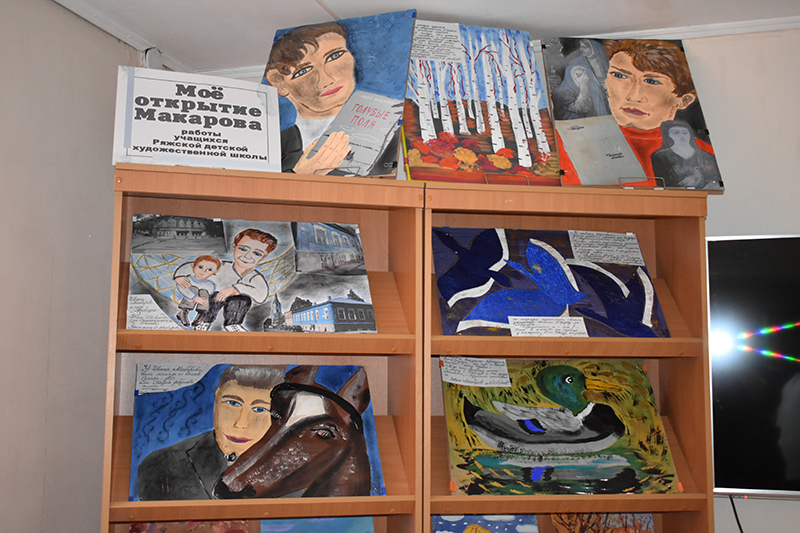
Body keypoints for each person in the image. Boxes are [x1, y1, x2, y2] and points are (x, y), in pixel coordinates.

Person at [558, 39, 717, 185]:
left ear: (684, 100)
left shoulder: (705, 155)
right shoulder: (570, 145)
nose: (633, 96)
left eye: (651, 81)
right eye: (619, 75)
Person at [137, 365, 287, 500]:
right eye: (233, 403)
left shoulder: (289, 471)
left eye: (260, 409)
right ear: (216, 399)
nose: (241, 424)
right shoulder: (160, 464)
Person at [264, 22, 354, 175]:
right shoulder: (271, 148)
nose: (327, 79)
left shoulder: (387, 137)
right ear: (280, 83)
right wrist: (301, 174)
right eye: (303, 71)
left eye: (334, 56)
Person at [174, 228, 277, 332]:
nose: (247, 256)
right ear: (234, 247)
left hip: (234, 306)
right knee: (212, 295)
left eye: (257, 253)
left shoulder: (254, 277)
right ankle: (204, 321)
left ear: (263, 257)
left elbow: (261, 296)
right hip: (208, 303)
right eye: (243, 249)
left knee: (242, 299)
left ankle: (232, 324)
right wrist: (179, 276)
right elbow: (194, 266)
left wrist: (235, 289)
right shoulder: (220, 266)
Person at [651, 120, 723, 189]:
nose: (681, 136)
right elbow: (662, 184)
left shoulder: (707, 156)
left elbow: (716, 181)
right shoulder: (660, 156)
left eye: (685, 133)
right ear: (668, 135)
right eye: (675, 133)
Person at [174, 255, 221, 328]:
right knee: (194, 289)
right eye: (200, 267)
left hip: (201, 301)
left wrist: (202, 300)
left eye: (209, 269)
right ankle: (183, 312)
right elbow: (182, 289)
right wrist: (194, 298)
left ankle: (201, 313)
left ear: (215, 272)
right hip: (188, 299)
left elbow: (210, 293)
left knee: (204, 292)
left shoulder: (210, 285)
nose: (204, 271)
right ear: (193, 266)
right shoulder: (188, 279)